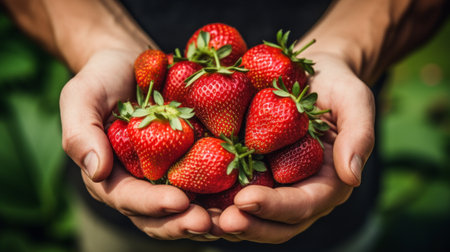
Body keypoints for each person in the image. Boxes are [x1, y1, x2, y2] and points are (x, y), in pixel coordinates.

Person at [1, 0, 448, 251]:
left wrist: (347, 51)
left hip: (326, 225)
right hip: (121, 212)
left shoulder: (246, 99)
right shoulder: (196, 92)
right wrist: (97, 40)